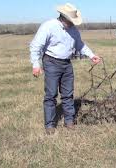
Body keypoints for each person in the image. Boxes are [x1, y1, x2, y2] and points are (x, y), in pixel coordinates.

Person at [29, 3, 101, 134]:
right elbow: (36, 46)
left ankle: (69, 121)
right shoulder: (49, 26)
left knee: (68, 94)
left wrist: (91, 55)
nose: (73, 23)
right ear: (64, 17)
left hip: (67, 63)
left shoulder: (73, 29)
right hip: (51, 62)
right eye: (71, 20)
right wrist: (36, 64)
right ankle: (50, 125)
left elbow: (80, 44)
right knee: (51, 95)